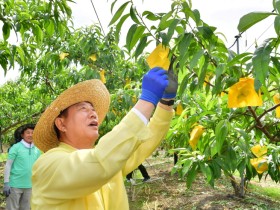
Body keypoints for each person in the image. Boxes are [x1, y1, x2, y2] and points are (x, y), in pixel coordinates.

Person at [31, 66, 178, 209]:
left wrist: (166, 103)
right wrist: (147, 100)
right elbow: (98, 162)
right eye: (83, 109)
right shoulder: (47, 165)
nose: (93, 114)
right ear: (61, 124)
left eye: (93, 109)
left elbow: (144, 141)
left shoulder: (111, 160)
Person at [3, 123, 41, 210]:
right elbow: (8, 165)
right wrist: (6, 183)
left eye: (33, 133)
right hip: (15, 185)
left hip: (30, 186)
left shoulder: (37, 150)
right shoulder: (16, 147)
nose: (30, 135)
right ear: (22, 135)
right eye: (28, 132)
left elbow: (38, 167)